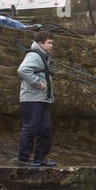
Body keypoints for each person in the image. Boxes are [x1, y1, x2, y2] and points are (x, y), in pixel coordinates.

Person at [18, 30, 57, 167]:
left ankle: (40, 157)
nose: (51, 46)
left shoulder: (43, 56)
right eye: (49, 43)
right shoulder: (34, 55)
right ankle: (23, 158)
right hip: (32, 98)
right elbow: (23, 70)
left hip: (42, 99)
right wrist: (38, 83)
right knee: (31, 128)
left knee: (46, 128)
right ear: (40, 43)